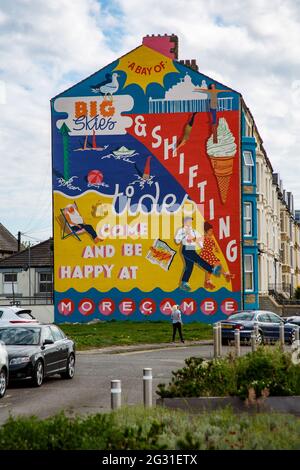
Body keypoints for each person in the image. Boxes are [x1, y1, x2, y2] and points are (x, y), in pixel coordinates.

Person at [174, 216, 221, 291]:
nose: (189, 223)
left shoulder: (194, 231)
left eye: (190, 221)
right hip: (186, 249)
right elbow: (177, 241)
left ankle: (184, 282)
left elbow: (200, 240)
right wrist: (184, 235)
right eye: (188, 221)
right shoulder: (181, 230)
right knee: (198, 259)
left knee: (189, 267)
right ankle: (212, 269)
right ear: (184, 222)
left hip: (192, 248)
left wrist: (196, 241)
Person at [200, 221, 235, 289]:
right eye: (210, 231)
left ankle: (208, 281)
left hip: (210, 254)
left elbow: (214, 245)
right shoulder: (203, 237)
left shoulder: (211, 238)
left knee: (215, 265)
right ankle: (223, 275)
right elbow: (197, 240)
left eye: (212, 231)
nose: (211, 232)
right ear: (206, 231)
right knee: (212, 266)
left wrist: (216, 249)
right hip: (205, 254)